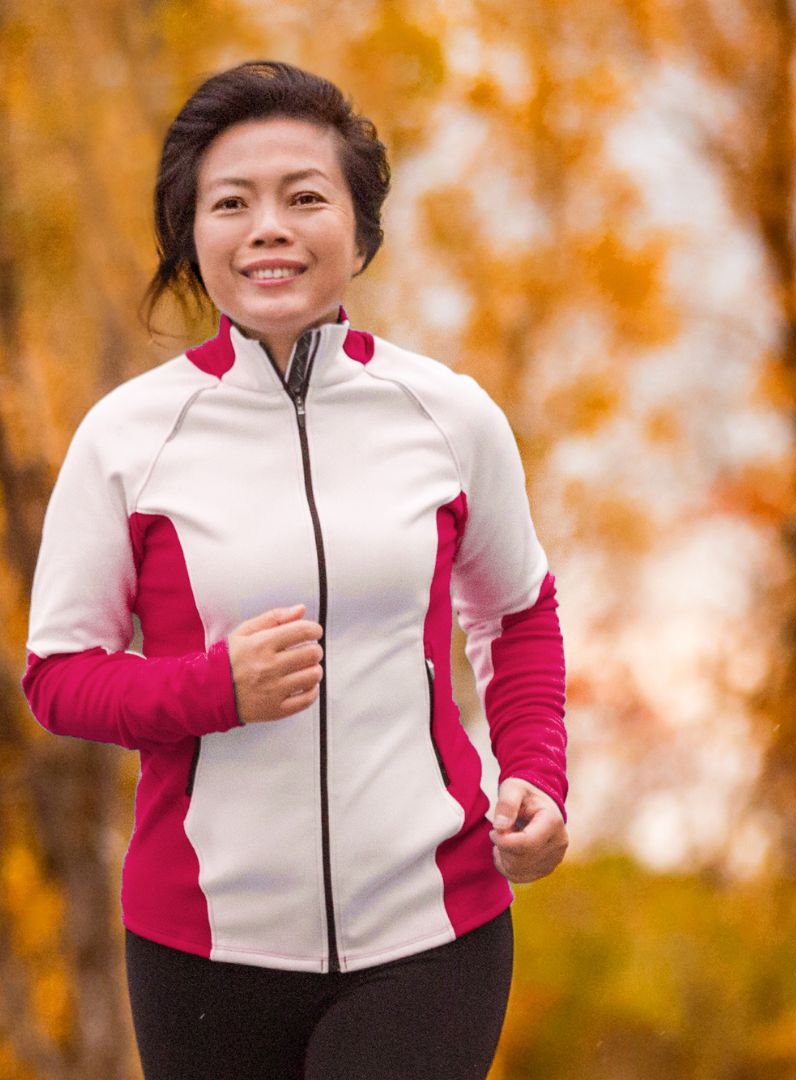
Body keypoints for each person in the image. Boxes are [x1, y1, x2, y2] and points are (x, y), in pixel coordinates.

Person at [21, 60, 568, 1080]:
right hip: (204, 947)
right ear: (194, 236)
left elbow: (517, 613)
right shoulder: (127, 439)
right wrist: (213, 687)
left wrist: (536, 774)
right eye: (231, 203)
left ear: (359, 230)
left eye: (305, 197)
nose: (269, 226)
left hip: (432, 927)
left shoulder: (448, 417)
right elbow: (58, 678)